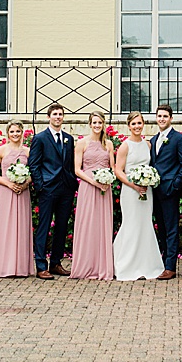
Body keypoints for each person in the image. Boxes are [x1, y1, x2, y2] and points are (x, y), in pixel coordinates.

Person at [112, 111, 164, 280]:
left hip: (146, 191)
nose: (137, 126)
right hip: (130, 191)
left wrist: (147, 181)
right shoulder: (125, 146)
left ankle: (147, 265)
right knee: (131, 224)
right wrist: (134, 185)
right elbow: (118, 171)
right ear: (129, 126)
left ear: (143, 125)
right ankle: (125, 265)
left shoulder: (147, 145)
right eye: (133, 124)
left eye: (139, 123)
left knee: (145, 224)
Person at [29, 103, 76, 280]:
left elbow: (70, 163)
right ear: (49, 117)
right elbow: (34, 164)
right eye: (55, 114)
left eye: (60, 114)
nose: (58, 117)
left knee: (62, 227)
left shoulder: (68, 139)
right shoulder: (40, 138)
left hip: (65, 188)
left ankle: (55, 263)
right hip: (48, 189)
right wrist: (40, 185)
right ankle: (41, 265)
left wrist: (71, 182)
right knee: (44, 226)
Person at [149, 104, 182, 280]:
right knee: (161, 227)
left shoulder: (178, 138)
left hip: (170, 191)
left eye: (165, 116)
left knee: (171, 228)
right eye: (159, 116)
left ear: (171, 118)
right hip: (155, 191)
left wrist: (175, 185)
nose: (161, 119)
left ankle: (170, 266)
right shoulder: (153, 140)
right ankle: (163, 261)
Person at [69, 113, 114, 280]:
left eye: (100, 122)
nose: (97, 125)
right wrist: (93, 182)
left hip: (104, 188)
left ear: (103, 124)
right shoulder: (82, 143)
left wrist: (107, 179)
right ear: (90, 124)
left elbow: (112, 166)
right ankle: (86, 264)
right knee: (88, 224)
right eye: (94, 122)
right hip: (88, 187)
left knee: (103, 224)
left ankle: (103, 265)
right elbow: (77, 169)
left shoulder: (108, 144)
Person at [0, 120, 33, 278]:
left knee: (20, 226)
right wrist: (8, 184)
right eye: (12, 132)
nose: (15, 134)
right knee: (4, 227)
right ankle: (1, 266)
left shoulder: (27, 152)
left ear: (22, 133)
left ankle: (20, 267)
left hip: (22, 192)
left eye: (18, 131)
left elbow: (33, 172)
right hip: (5, 191)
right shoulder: (0, 150)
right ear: (8, 133)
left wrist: (25, 183)